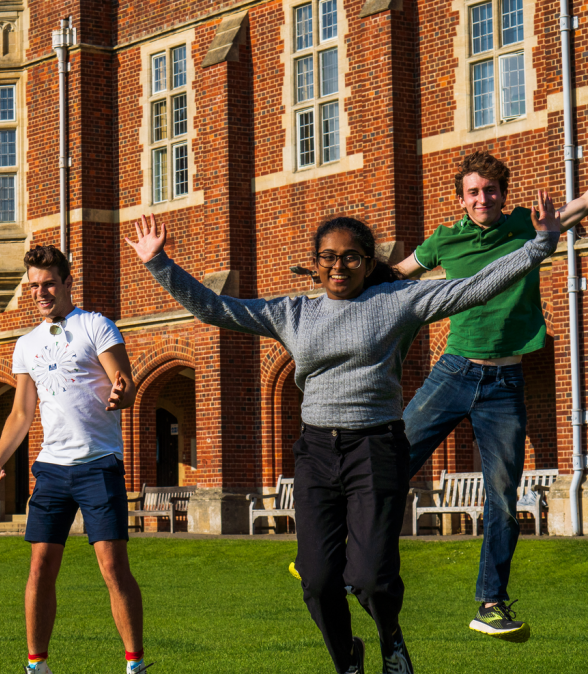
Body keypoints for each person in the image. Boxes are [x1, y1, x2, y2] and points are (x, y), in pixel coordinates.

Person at [124, 207, 561, 674]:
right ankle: (347, 660)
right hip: (316, 453)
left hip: (375, 447)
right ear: (315, 262)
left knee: (371, 578)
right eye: (328, 257)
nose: (338, 266)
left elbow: (471, 287)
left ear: (368, 263)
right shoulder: (294, 313)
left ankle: (390, 638)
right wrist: (158, 262)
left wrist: (539, 245)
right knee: (315, 579)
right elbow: (217, 308)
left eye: (351, 258)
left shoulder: (397, 300)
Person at [394, 151, 588, 642]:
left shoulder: (527, 225)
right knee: (388, 459)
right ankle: (330, 551)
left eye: (491, 190)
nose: (483, 198)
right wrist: (340, 275)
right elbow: (396, 275)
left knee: (501, 498)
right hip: (454, 372)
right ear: (461, 198)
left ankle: (491, 602)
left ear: (503, 193)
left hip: (505, 386)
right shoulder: (445, 238)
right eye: (473, 192)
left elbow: (572, 212)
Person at [0, 245, 151, 674]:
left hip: (98, 463)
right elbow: (21, 413)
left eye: (49, 284)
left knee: (112, 566)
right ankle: (36, 666)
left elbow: (126, 381)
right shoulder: (26, 344)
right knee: (41, 565)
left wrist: (124, 392)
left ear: (67, 282)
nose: (41, 292)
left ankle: (135, 664)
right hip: (50, 470)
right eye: (34, 286)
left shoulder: (95, 326)